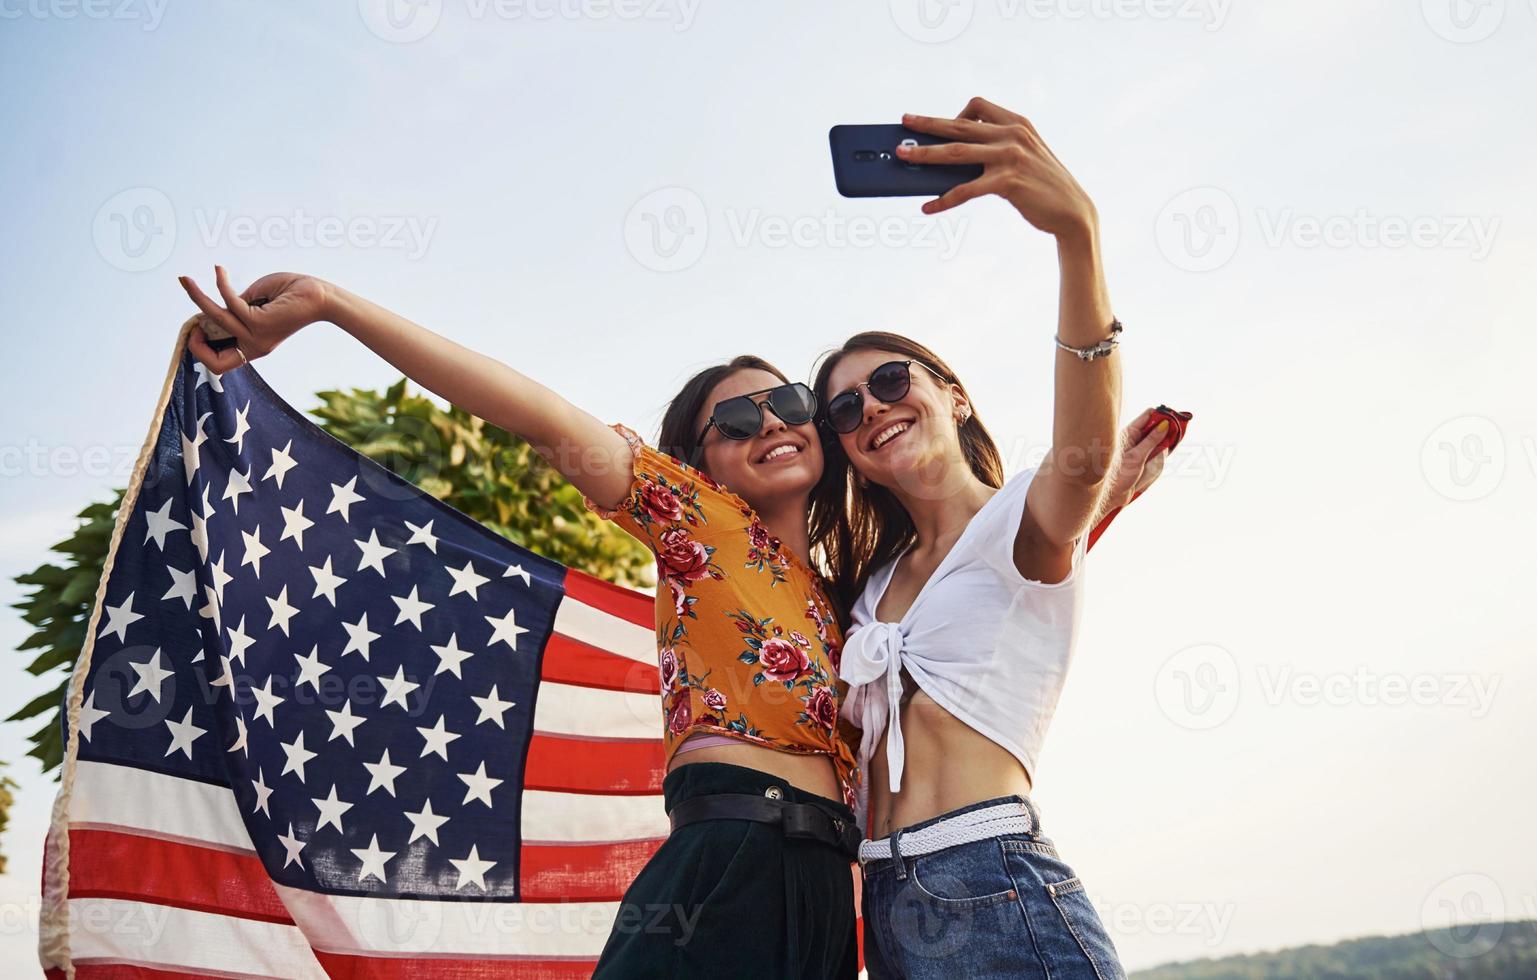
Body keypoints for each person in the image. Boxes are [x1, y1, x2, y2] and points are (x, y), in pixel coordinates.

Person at [178, 274, 862, 978]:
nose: (772, 423)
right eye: (738, 421)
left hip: (827, 889)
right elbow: (540, 417)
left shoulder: (851, 600)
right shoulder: (699, 520)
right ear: (698, 466)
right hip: (735, 852)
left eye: (786, 402)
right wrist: (331, 306)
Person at [807, 97, 1167, 979]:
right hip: (885, 906)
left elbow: (1083, 461)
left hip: (994, 885)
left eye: (891, 380)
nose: (872, 408)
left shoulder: (1019, 522)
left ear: (952, 394)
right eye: (846, 409)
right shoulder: (867, 585)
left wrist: (1075, 235)